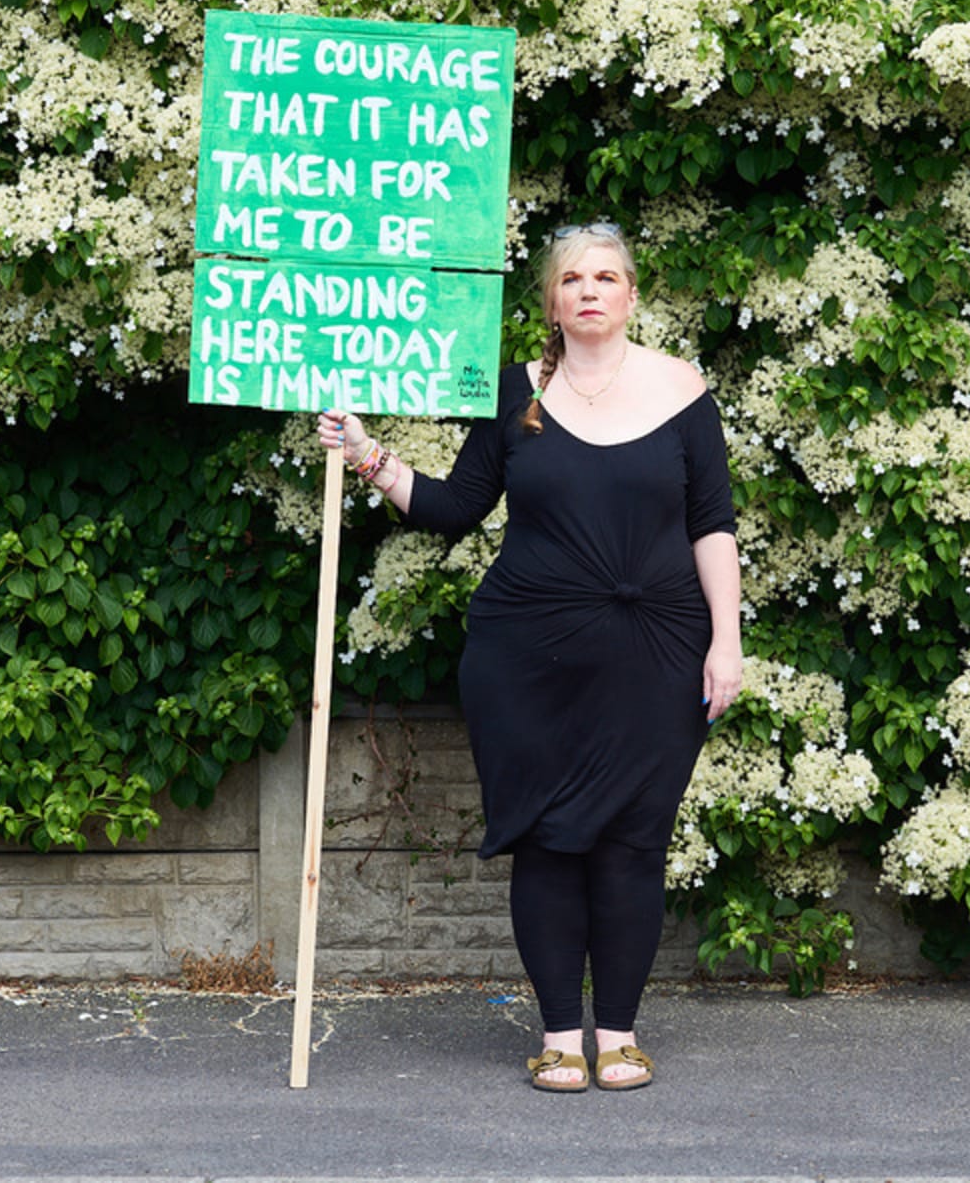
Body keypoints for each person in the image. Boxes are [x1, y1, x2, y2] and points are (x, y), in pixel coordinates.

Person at [316, 222, 742, 1093]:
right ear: (550, 300)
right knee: (546, 844)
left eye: (608, 277)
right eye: (573, 279)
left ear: (631, 294)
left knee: (632, 843)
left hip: (659, 650)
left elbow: (713, 524)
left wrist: (726, 640)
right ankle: (558, 1036)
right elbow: (451, 508)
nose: (590, 290)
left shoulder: (683, 389)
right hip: (527, 657)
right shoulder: (515, 394)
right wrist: (366, 453)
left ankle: (617, 1036)